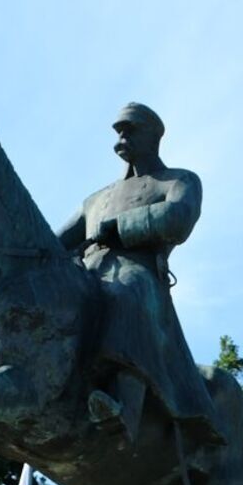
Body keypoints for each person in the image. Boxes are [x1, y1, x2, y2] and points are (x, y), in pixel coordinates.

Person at [56, 102, 221, 448]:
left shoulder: (179, 180)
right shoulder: (96, 199)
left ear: (153, 136)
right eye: (118, 131)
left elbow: (179, 217)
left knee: (124, 291)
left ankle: (124, 409)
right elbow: (56, 242)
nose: (122, 136)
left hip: (138, 272)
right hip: (88, 272)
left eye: (129, 129)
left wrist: (121, 227)